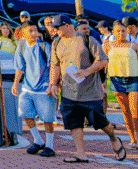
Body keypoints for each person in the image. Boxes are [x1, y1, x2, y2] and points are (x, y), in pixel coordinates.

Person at [47, 14, 126, 163]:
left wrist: (87, 71)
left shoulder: (87, 40)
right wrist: (52, 84)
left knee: (101, 122)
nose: (55, 30)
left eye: (57, 28)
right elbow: (55, 65)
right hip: (69, 92)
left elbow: (103, 60)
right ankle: (80, 153)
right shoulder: (56, 43)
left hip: (90, 92)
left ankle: (114, 138)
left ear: (67, 26)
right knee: (74, 123)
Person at [103, 21, 138, 150]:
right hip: (116, 80)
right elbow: (104, 64)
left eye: (123, 31)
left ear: (127, 31)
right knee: (126, 111)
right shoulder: (107, 46)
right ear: (113, 32)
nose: (121, 33)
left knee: (136, 109)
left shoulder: (134, 46)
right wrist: (103, 80)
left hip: (134, 79)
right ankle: (132, 139)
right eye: (118, 31)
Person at [12, 22, 56, 157]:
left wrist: (52, 85)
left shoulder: (45, 46)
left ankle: (50, 146)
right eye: (30, 31)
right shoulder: (21, 47)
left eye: (35, 30)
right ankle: (38, 141)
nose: (34, 33)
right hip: (27, 88)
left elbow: (53, 66)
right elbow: (20, 68)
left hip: (44, 88)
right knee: (26, 114)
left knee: (47, 118)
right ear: (23, 33)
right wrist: (15, 84)